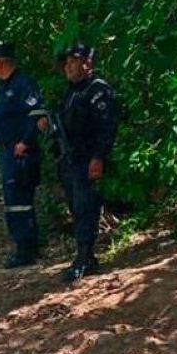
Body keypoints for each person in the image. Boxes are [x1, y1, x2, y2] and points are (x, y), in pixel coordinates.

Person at [52, 43, 118, 282]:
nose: (68, 67)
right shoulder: (71, 92)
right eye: (66, 63)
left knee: (85, 209)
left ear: (87, 64)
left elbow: (106, 127)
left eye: (73, 62)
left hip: (87, 159)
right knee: (76, 208)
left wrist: (98, 157)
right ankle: (85, 257)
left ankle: (85, 257)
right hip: (70, 160)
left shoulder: (97, 90)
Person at [0, 42, 47, 269]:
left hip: (20, 154)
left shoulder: (23, 84)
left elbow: (39, 117)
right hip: (7, 151)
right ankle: (21, 246)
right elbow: (7, 119)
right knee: (12, 201)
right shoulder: (4, 86)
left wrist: (25, 142)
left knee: (20, 201)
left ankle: (27, 249)